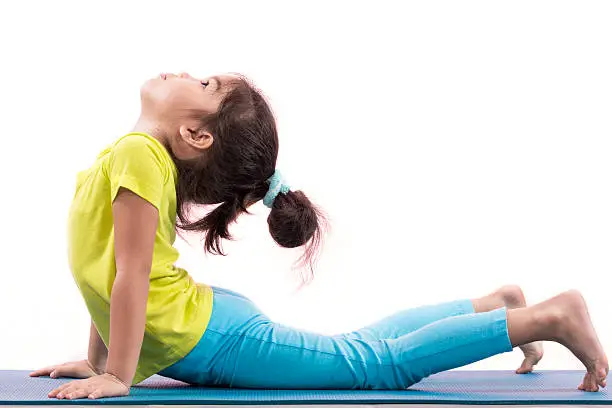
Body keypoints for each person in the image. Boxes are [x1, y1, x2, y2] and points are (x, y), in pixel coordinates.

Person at [30, 72, 608, 400]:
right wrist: (94, 360)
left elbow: (129, 276)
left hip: (211, 337)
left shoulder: (137, 154)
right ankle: (494, 306)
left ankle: (545, 318)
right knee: (358, 348)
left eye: (203, 82)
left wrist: (116, 377)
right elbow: (110, 273)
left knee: (370, 366)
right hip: (200, 322)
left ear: (195, 134)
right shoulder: (132, 154)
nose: (183, 74)